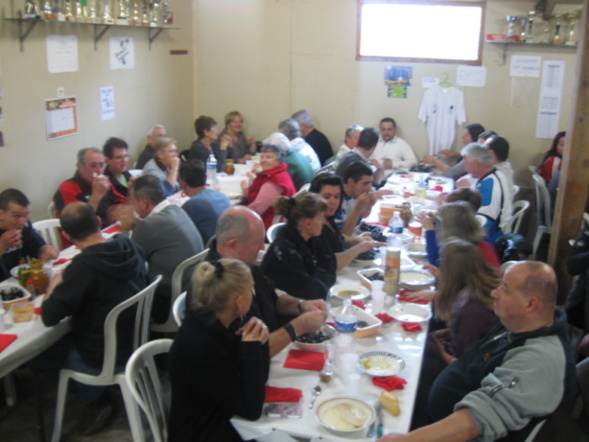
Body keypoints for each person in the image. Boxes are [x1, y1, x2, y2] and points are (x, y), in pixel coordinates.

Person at [379, 261, 575, 442]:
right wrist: (452, 333)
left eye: (505, 289)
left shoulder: (540, 361)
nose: (494, 293)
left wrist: (407, 440)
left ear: (530, 304)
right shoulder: (519, 324)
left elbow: (477, 421)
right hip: (437, 410)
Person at [40, 202, 147, 434]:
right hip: (137, 339)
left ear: (66, 235)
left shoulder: (82, 268)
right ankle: (104, 392)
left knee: (42, 355)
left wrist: (53, 286)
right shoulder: (127, 244)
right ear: (98, 222)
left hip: (105, 356)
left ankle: (96, 397)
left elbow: (49, 317)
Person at [168, 259, 270, 441]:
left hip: (224, 419)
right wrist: (251, 349)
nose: (253, 295)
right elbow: (252, 409)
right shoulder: (201, 345)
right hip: (203, 433)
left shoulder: (222, 321)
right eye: (251, 290)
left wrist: (259, 339)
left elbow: (261, 379)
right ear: (239, 301)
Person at [207, 206, 327, 357]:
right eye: (257, 242)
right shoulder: (216, 286)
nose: (262, 247)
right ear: (233, 245)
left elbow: (273, 299)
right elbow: (245, 354)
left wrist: (301, 305)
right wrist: (297, 327)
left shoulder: (242, 263)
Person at [121, 175, 204, 323]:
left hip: (168, 302)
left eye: (132, 201)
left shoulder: (147, 226)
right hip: (193, 293)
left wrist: (125, 230)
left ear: (144, 202)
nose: (131, 206)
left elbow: (127, 262)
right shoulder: (177, 210)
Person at [419, 239, 500, 390]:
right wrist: (452, 333)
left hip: (464, 378)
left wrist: (440, 351)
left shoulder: (474, 312)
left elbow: (467, 368)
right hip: (464, 349)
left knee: (418, 364)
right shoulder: (477, 290)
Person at [261, 193, 336, 300]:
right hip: (280, 304)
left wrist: (318, 274)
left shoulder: (311, 237)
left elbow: (331, 264)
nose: (324, 222)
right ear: (308, 223)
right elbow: (312, 292)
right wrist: (321, 272)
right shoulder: (286, 249)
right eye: (321, 218)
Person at [309, 173, 381, 270]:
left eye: (337, 197)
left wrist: (354, 240)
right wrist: (359, 248)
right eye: (327, 197)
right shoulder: (313, 225)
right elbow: (331, 263)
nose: (333, 202)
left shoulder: (327, 216)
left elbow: (336, 237)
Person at [417, 201, 501, 271]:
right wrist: (435, 221)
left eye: (441, 224)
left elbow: (436, 264)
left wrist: (430, 230)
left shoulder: (464, 249)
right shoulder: (479, 238)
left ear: (450, 228)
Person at [54, 147, 127, 227]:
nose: (99, 171)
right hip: (84, 232)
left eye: (101, 165)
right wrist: (96, 196)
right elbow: (77, 225)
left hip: (108, 228)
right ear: (80, 167)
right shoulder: (67, 188)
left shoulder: (104, 183)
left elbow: (122, 200)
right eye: (93, 166)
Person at [0, 189, 59, 280]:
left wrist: (46, 250)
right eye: (17, 216)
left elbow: (36, 247)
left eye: (25, 215)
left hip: (22, 279)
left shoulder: (25, 226)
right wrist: (2, 246)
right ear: (1, 214)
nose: (23, 222)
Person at [462, 143, 512, 244]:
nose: (465, 169)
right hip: (487, 232)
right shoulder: (491, 175)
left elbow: (485, 223)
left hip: (492, 239)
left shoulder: (491, 184)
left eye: (466, 164)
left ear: (476, 163)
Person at [241, 144, 296, 230]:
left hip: (268, 225)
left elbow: (257, 208)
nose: (263, 160)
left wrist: (237, 216)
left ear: (278, 160)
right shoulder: (281, 173)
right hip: (277, 220)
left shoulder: (274, 181)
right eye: (262, 157)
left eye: (268, 157)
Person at [179, 159, 231, 244]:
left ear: (182, 183)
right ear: (206, 177)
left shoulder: (192, 205)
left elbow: (179, 232)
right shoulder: (222, 196)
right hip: (228, 245)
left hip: (211, 249)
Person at [335, 162, 378, 235]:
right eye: (365, 183)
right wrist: (357, 209)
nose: (369, 188)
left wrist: (369, 205)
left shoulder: (356, 194)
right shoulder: (336, 199)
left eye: (371, 183)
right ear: (350, 182)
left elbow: (363, 215)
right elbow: (343, 235)